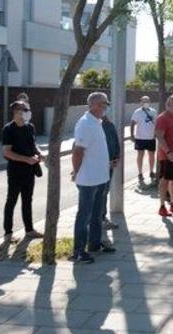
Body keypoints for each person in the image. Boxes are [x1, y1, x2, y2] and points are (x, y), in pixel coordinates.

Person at [71, 92, 113, 264]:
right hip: (88, 179)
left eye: (106, 104)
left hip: (100, 177)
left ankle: (94, 244)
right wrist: (76, 171)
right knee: (85, 215)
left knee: (97, 214)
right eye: (103, 103)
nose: (105, 107)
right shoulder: (85, 123)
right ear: (92, 104)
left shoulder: (97, 122)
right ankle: (79, 251)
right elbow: (77, 151)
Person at [1, 101, 44, 243]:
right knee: (11, 201)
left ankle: (29, 230)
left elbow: (33, 144)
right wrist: (26, 159)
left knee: (27, 200)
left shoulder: (30, 127)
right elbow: (6, 153)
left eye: (28, 109)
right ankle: (8, 233)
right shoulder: (8, 129)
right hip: (15, 171)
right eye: (25, 109)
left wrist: (39, 153)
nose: (28, 111)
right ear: (16, 111)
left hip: (30, 171)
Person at [154, 95, 173, 217]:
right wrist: (168, 152)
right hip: (166, 155)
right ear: (167, 105)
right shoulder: (162, 118)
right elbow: (159, 136)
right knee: (164, 180)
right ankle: (162, 206)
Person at [130, 96, 158, 184]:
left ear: (150, 102)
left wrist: (156, 134)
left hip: (151, 138)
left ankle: (151, 171)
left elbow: (156, 123)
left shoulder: (153, 111)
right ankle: (140, 173)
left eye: (147, 101)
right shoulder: (137, 112)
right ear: (141, 102)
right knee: (140, 156)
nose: (146, 102)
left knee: (152, 156)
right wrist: (132, 135)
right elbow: (132, 123)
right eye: (144, 101)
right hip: (140, 138)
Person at [101, 110, 121, 231]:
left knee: (105, 191)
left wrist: (116, 157)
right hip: (99, 166)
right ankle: (99, 219)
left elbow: (115, 142)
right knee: (100, 193)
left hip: (110, 165)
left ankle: (102, 217)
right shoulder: (91, 125)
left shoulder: (109, 125)